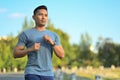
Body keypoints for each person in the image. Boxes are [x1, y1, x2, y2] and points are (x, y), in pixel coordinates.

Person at [13, 5, 64, 80]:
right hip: (32, 72)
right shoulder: (26, 34)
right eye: (40, 14)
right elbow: (15, 54)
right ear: (33, 17)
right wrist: (30, 49)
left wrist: (52, 43)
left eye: (46, 15)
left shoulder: (53, 35)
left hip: (48, 74)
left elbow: (61, 55)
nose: (43, 17)